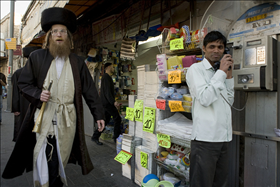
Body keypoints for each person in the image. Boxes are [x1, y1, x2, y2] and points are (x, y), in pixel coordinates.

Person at [2, 7, 105, 187]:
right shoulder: (37, 57)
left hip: (68, 118)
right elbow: (24, 84)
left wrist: (99, 115)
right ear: (49, 36)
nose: (59, 35)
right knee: (45, 155)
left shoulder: (77, 62)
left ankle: (55, 178)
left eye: (63, 31)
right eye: (55, 31)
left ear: (69, 37)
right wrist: (38, 94)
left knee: (62, 154)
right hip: (44, 117)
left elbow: (90, 91)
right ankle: (50, 181)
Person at [186, 31, 234, 187]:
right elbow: (205, 98)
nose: (216, 50)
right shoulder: (196, 69)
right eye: (212, 46)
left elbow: (230, 101)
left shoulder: (220, 72)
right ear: (204, 48)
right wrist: (221, 72)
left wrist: (229, 77)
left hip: (224, 139)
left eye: (220, 47)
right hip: (205, 140)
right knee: (201, 183)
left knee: (220, 183)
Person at [11, 47, 40, 142]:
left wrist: (16, 108)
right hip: (25, 104)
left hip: (29, 103)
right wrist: (16, 108)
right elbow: (15, 91)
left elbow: (15, 91)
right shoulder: (19, 73)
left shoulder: (19, 72)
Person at [91, 63, 121, 145]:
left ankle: (95, 136)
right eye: (112, 67)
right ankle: (116, 137)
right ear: (108, 67)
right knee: (117, 118)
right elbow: (107, 92)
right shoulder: (106, 78)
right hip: (107, 103)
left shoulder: (106, 77)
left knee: (105, 120)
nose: (113, 68)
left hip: (106, 103)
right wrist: (113, 102)